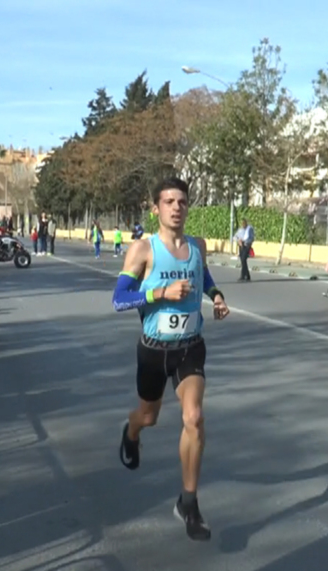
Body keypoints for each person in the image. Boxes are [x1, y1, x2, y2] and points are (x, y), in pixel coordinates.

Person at [112, 177, 230, 542]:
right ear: (156, 208)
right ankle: (131, 432)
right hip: (153, 350)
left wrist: (217, 295)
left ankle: (188, 502)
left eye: (182, 201)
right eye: (168, 202)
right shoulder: (142, 250)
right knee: (148, 415)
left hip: (189, 347)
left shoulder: (197, 246)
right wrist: (161, 291)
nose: (176, 208)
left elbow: (203, 274)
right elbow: (119, 299)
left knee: (193, 417)